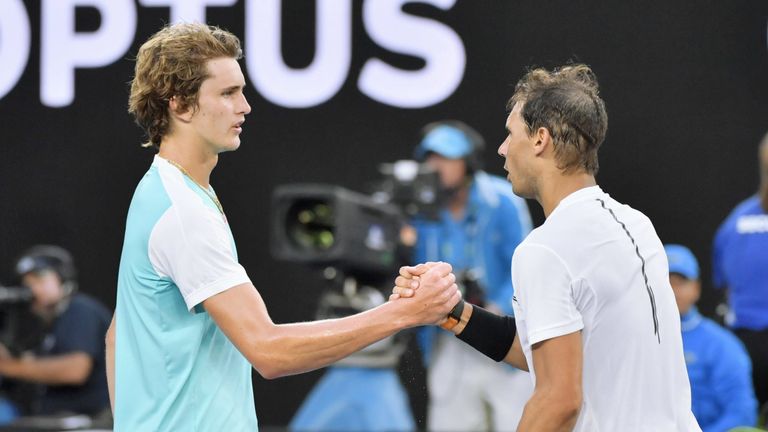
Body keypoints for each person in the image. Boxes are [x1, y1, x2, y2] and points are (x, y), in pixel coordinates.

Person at [106, 22, 460, 431]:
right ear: (180, 106)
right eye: (227, 93)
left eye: (241, 91)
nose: (245, 106)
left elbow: (117, 337)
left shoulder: (161, 191)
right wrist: (404, 313)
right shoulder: (184, 213)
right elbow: (269, 351)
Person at [394, 64, 701, 431]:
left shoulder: (545, 249)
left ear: (540, 139)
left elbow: (559, 400)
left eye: (511, 134)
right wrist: (454, 312)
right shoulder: (636, 224)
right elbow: (549, 352)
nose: (502, 149)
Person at [410, 120, 533, 431]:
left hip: (503, 332)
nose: (435, 167)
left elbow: (525, 267)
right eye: (430, 158)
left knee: (516, 422)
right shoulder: (420, 209)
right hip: (448, 336)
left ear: (468, 162)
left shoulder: (503, 200)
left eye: (446, 157)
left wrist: (495, 310)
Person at [0, 245, 111, 419]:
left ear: (63, 278)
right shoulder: (51, 323)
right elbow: (32, 362)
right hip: (55, 419)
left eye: (39, 279)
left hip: (87, 420)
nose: (32, 289)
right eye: (27, 283)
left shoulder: (80, 309)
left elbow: (76, 370)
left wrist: (9, 367)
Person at [665, 244, 757, 432]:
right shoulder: (632, 341)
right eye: (665, 281)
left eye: (680, 282)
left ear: (696, 288)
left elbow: (742, 413)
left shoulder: (721, 344)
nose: (673, 290)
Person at [712, 132, 768, 416]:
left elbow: (721, 281)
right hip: (747, 341)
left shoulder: (734, 221)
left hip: (745, 342)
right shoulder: (735, 223)